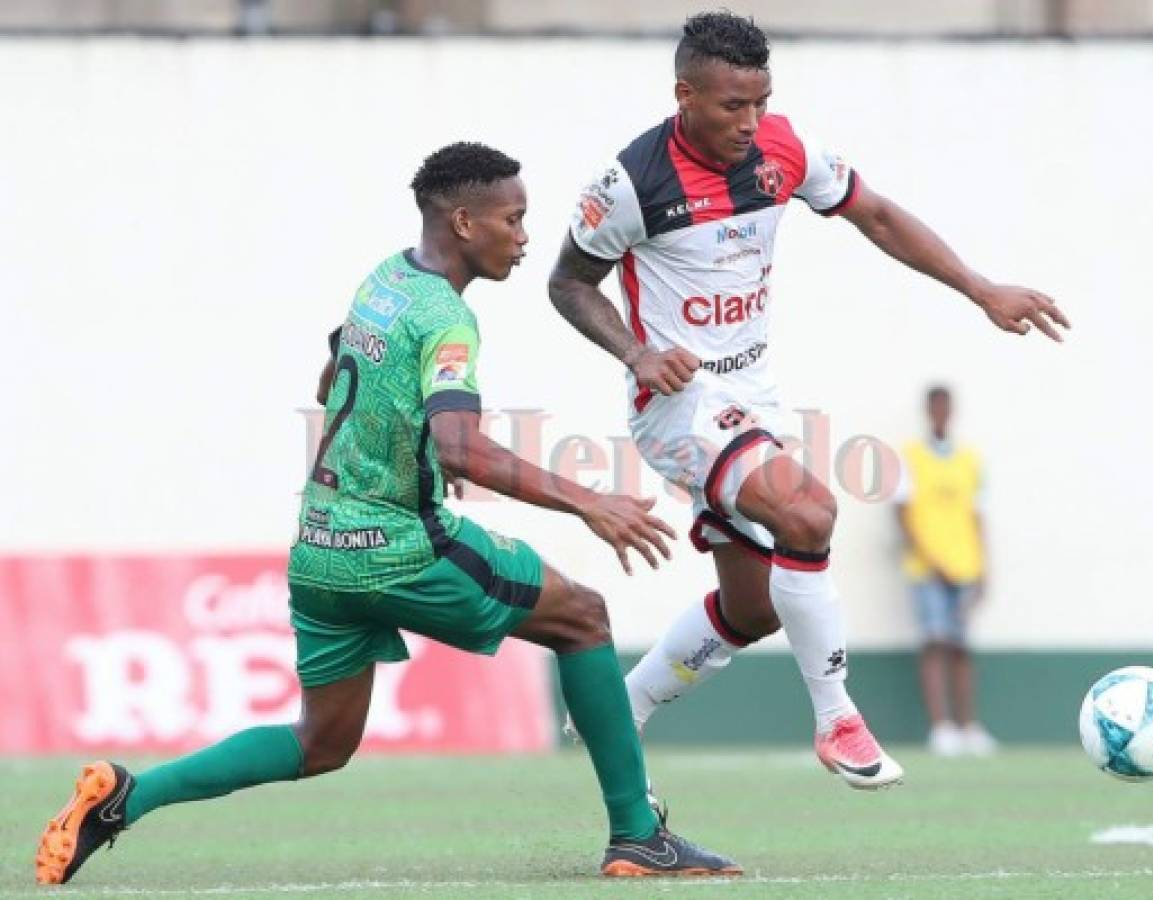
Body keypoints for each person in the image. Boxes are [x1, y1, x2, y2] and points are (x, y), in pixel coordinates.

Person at [34, 143, 740, 885]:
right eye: (514, 218)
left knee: (321, 744)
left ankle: (126, 797)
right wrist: (589, 500)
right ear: (465, 222)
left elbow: (337, 366)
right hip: (399, 548)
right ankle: (636, 835)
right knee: (583, 618)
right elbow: (462, 446)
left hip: (319, 547)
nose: (526, 236)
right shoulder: (447, 319)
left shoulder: (386, 279)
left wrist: (412, 449)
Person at [547, 12, 1069, 791]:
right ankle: (836, 719)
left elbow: (879, 217)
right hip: (679, 405)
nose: (749, 123)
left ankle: (619, 711)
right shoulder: (630, 182)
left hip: (754, 398)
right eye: (731, 106)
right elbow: (567, 283)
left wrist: (980, 287)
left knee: (753, 609)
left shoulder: (783, 149)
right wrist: (637, 352)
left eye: (760, 102)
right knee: (810, 513)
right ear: (683, 95)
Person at [895, 386, 996, 757]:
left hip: (964, 566)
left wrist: (983, 567)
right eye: (935, 407)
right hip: (927, 569)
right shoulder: (910, 457)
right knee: (935, 641)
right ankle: (942, 728)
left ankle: (969, 726)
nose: (941, 413)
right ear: (928, 410)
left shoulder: (969, 458)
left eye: (946, 407)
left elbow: (977, 515)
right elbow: (902, 513)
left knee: (961, 645)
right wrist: (931, 559)